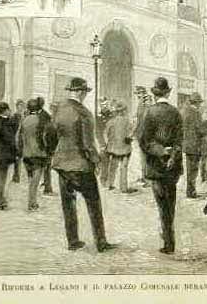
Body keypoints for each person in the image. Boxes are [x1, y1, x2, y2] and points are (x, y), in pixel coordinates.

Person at [51, 77, 117, 252]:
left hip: (61, 163)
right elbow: (87, 144)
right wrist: (96, 161)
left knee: (68, 203)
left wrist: (56, 153)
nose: (85, 95)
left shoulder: (58, 109)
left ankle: (72, 241)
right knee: (93, 202)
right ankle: (101, 242)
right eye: (85, 92)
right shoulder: (84, 112)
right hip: (80, 164)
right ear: (80, 92)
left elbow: (50, 136)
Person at [139, 77, 183, 254]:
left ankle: (167, 241)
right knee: (170, 202)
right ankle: (169, 240)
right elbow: (181, 140)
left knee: (161, 203)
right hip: (173, 165)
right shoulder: (176, 113)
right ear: (168, 93)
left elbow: (144, 141)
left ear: (155, 94)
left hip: (156, 165)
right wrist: (172, 154)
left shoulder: (149, 113)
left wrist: (161, 151)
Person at [19, 99, 56, 211]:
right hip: (38, 153)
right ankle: (32, 203)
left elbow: (19, 138)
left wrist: (21, 151)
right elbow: (46, 137)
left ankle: (32, 202)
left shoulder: (24, 120)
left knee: (31, 179)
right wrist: (49, 150)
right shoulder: (40, 120)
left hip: (26, 154)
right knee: (35, 180)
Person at [104, 101, 137, 194]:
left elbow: (105, 133)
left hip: (114, 148)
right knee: (124, 167)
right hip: (125, 148)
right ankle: (123, 187)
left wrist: (108, 143)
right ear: (123, 111)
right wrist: (130, 137)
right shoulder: (128, 121)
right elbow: (132, 133)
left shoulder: (111, 121)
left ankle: (109, 184)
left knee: (113, 166)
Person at [180, 92, 206, 198]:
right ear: (197, 103)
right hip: (195, 145)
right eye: (199, 103)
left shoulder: (185, 112)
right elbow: (200, 130)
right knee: (194, 169)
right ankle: (191, 191)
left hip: (187, 145)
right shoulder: (196, 113)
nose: (200, 105)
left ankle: (189, 190)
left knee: (189, 169)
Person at [0, 102, 18, 210]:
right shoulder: (4, 123)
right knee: (1, 178)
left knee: (0, 177)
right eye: (9, 110)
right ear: (6, 110)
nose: (10, 112)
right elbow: (10, 140)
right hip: (4, 155)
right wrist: (16, 152)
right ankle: (0, 201)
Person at [35, 96, 55, 195]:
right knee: (46, 167)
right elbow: (49, 132)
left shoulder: (32, 115)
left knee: (42, 167)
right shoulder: (46, 116)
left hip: (39, 145)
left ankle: (45, 185)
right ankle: (47, 188)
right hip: (44, 146)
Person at [11, 99, 26, 183]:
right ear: (17, 107)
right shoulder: (14, 117)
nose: (21, 108)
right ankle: (16, 176)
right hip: (17, 139)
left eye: (22, 106)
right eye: (20, 106)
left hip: (23, 139)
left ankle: (20, 176)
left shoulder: (24, 117)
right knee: (17, 159)